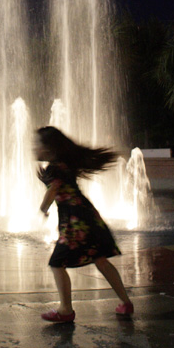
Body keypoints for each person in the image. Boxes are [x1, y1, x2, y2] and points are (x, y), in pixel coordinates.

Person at [35, 125, 133, 323]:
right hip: (88, 215)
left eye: (37, 144)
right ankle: (126, 302)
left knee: (56, 263)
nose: (34, 148)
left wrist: (43, 209)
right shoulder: (66, 164)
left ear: (48, 148)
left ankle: (65, 310)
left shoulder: (54, 167)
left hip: (75, 221)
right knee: (101, 259)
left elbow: (53, 190)